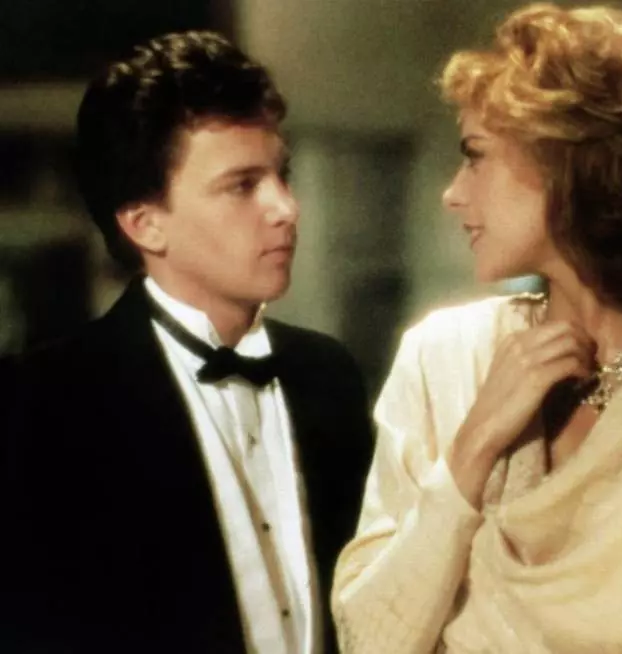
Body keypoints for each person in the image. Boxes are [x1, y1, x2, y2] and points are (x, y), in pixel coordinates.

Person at [332, 3, 622, 652]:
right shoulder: (446, 356)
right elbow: (369, 641)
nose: (453, 193)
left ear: (566, 164)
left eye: (476, 156)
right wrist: (472, 450)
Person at [0, 31, 374, 654]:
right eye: (243, 185)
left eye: (281, 175)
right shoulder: (41, 402)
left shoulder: (327, 375)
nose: (285, 207)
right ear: (146, 224)